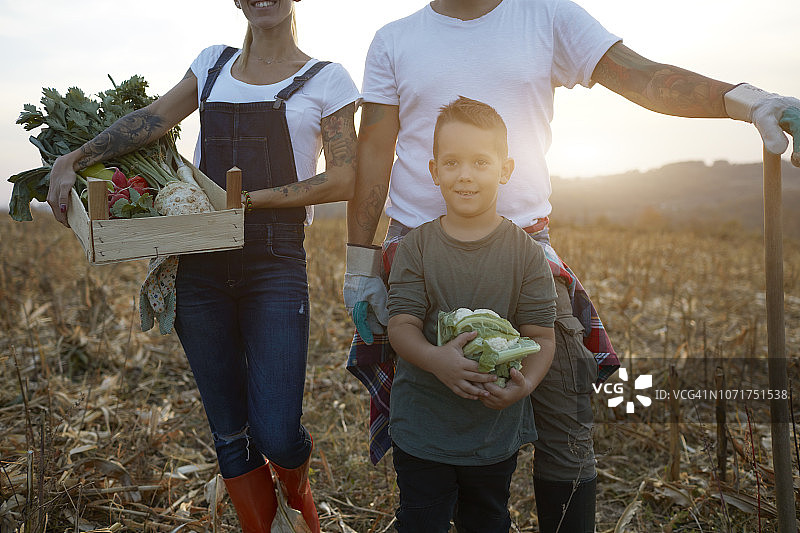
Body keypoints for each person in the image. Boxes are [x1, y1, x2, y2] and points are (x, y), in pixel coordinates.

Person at [343, 1, 800, 532]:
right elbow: (374, 148)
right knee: (430, 405)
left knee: (563, 415)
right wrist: (360, 265)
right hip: (418, 249)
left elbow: (644, 76)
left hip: (525, 250)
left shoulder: (547, 17)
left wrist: (745, 100)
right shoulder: (394, 38)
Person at [46, 1, 360, 531]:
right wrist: (72, 158)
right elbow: (151, 121)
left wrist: (248, 201)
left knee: (278, 432)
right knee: (230, 433)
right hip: (199, 263)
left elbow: (342, 178)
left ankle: (296, 494)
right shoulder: (212, 66)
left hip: (274, 263)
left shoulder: (327, 79)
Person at [386, 96, 557, 532]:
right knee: (420, 522)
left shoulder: (526, 255)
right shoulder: (417, 248)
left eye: (481, 162)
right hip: (423, 428)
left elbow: (541, 335)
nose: (465, 174)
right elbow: (401, 324)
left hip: (493, 432)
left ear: (505, 169)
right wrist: (435, 359)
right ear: (434, 171)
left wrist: (525, 386)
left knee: (487, 521)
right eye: (453, 162)